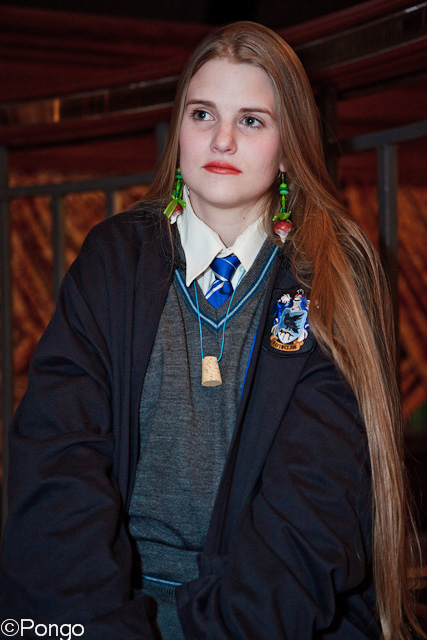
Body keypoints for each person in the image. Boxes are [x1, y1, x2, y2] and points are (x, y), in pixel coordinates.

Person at [0, 21, 422, 640]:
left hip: (267, 617)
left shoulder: (333, 272)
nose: (222, 138)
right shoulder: (113, 259)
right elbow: (57, 465)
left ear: (289, 146)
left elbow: (311, 516)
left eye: (251, 120)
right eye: (203, 114)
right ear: (179, 131)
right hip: (105, 605)